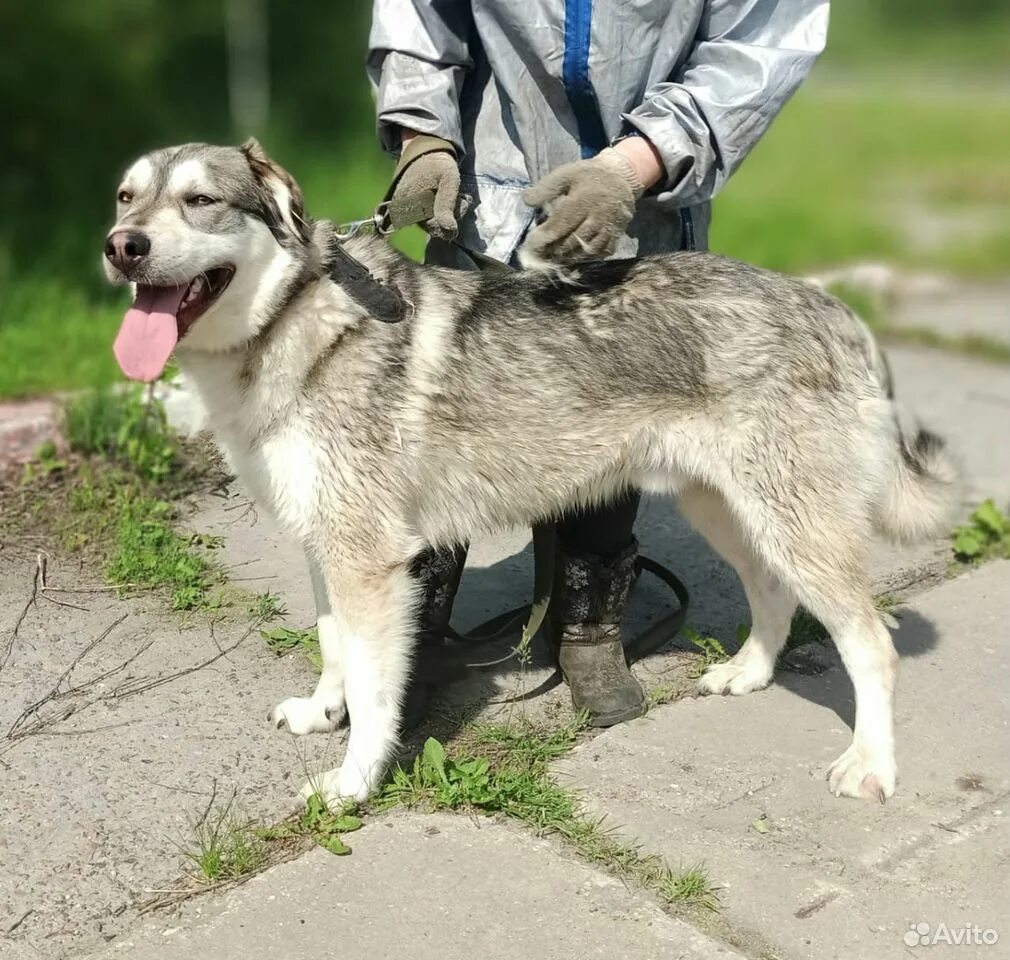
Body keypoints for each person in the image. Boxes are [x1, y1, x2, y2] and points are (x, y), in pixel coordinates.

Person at [367, 0, 829, 727]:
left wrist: (633, 165)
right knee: (445, 414)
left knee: (616, 406)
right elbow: (418, 18)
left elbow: (762, 44)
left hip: (643, 198)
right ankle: (414, 622)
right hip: (492, 188)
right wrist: (423, 133)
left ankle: (587, 620)